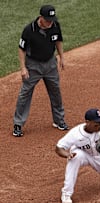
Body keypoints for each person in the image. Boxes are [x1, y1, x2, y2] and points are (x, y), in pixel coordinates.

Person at [13, 5, 68, 137]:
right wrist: (23, 68)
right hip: (33, 65)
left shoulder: (55, 25)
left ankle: (59, 120)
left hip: (50, 64)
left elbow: (58, 41)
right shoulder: (29, 30)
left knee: (55, 91)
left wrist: (62, 57)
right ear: (41, 18)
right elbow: (22, 49)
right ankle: (18, 124)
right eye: (48, 20)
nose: (50, 22)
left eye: (52, 19)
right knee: (25, 93)